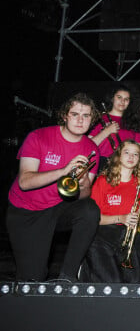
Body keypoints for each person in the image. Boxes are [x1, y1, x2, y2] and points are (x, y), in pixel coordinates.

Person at [7, 93, 101, 282]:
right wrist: (63, 171)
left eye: (86, 116)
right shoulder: (38, 137)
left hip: (58, 208)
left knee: (90, 210)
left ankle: (67, 275)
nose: (80, 120)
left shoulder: (92, 149)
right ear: (65, 115)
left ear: (92, 120)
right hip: (26, 212)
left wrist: (83, 185)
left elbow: (85, 194)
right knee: (32, 279)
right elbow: (25, 182)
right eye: (75, 114)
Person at [81, 140, 140, 283]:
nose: (131, 157)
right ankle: (87, 267)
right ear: (118, 155)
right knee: (112, 282)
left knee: (135, 283)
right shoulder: (103, 181)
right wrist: (120, 218)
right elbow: (92, 219)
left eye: (136, 154)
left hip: (124, 237)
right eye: (127, 152)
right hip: (100, 236)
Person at [89, 85, 140, 172]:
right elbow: (88, 145)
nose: (122, 101)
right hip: (99, 163)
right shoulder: (98, 118)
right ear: (112, 98)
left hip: (123, 166)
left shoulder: (134, 123)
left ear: (130, 103)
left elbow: (139, 150)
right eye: (119, 97)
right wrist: (107, 131)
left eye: (126, 99)